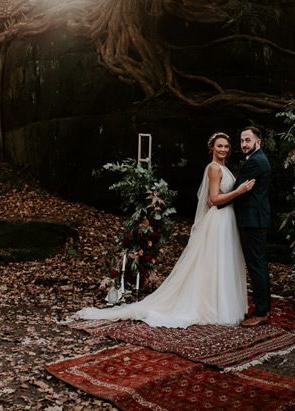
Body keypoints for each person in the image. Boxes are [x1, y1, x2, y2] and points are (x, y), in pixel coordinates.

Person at [76, 132, 256, 328]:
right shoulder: (213, 168)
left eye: (226, 147)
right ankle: (213, 306)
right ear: (212, 147)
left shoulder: (223, 167)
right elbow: (214, 199)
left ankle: (222, 304)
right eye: (219, 146)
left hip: (227, 218)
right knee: (215, 261)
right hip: (219, 219)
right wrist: (239, 192)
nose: (223, 150)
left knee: (223, 261)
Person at [220, 126, 272, 327]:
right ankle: (263, 308)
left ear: (257, 142)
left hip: (252, 220)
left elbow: (238, 188)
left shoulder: (256, 162)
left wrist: (217, 202)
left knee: (256, 265)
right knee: (257, 264)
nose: (244, 144)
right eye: (242, 141)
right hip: (255, 219)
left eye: (247, 141)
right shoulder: (257, 159)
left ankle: (261, 312)